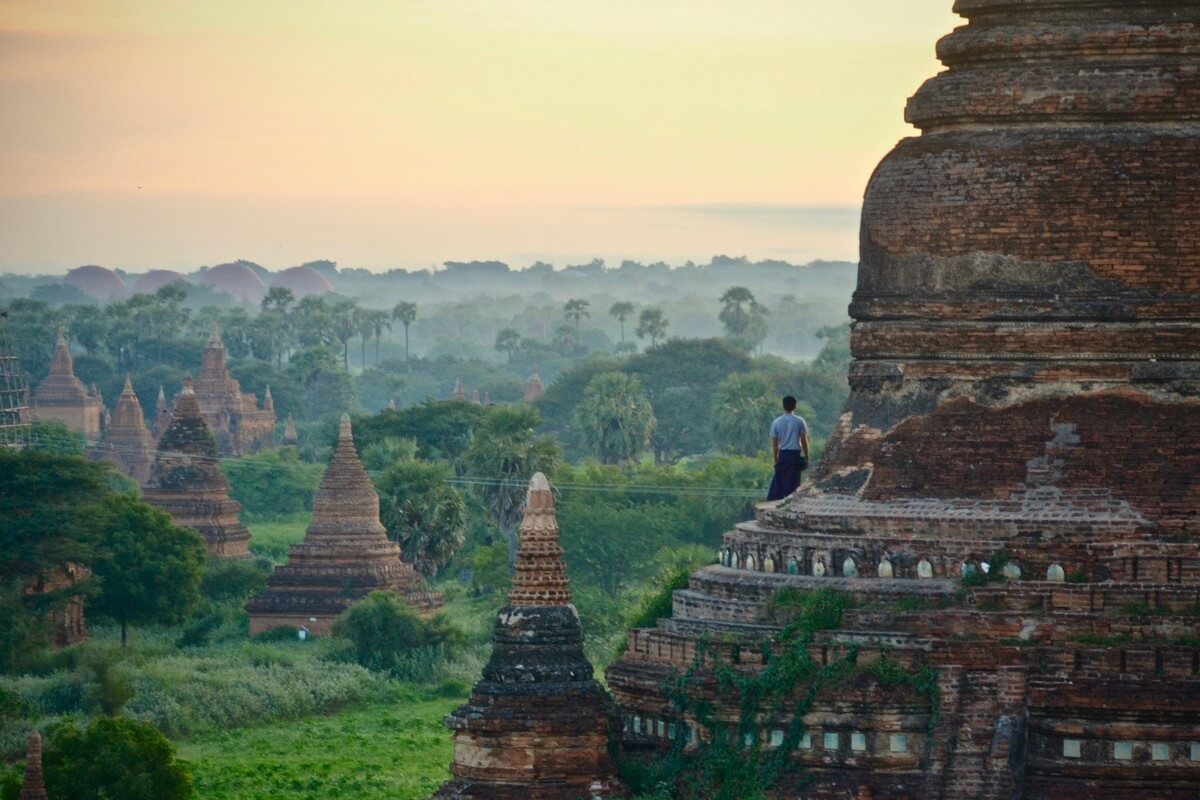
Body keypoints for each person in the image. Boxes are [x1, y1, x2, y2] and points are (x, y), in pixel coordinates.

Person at [767, 395, 809, 501]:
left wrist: (776, 459)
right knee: (794, 482)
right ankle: (791, 503)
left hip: (783, 455)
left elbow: (775, 443)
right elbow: (804, 441)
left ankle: (776, 505)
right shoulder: (800, 421)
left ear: (783, 406)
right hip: (795, 455)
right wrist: (807, 456)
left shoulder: (776, 422)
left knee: (779, 483)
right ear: (795, 406)